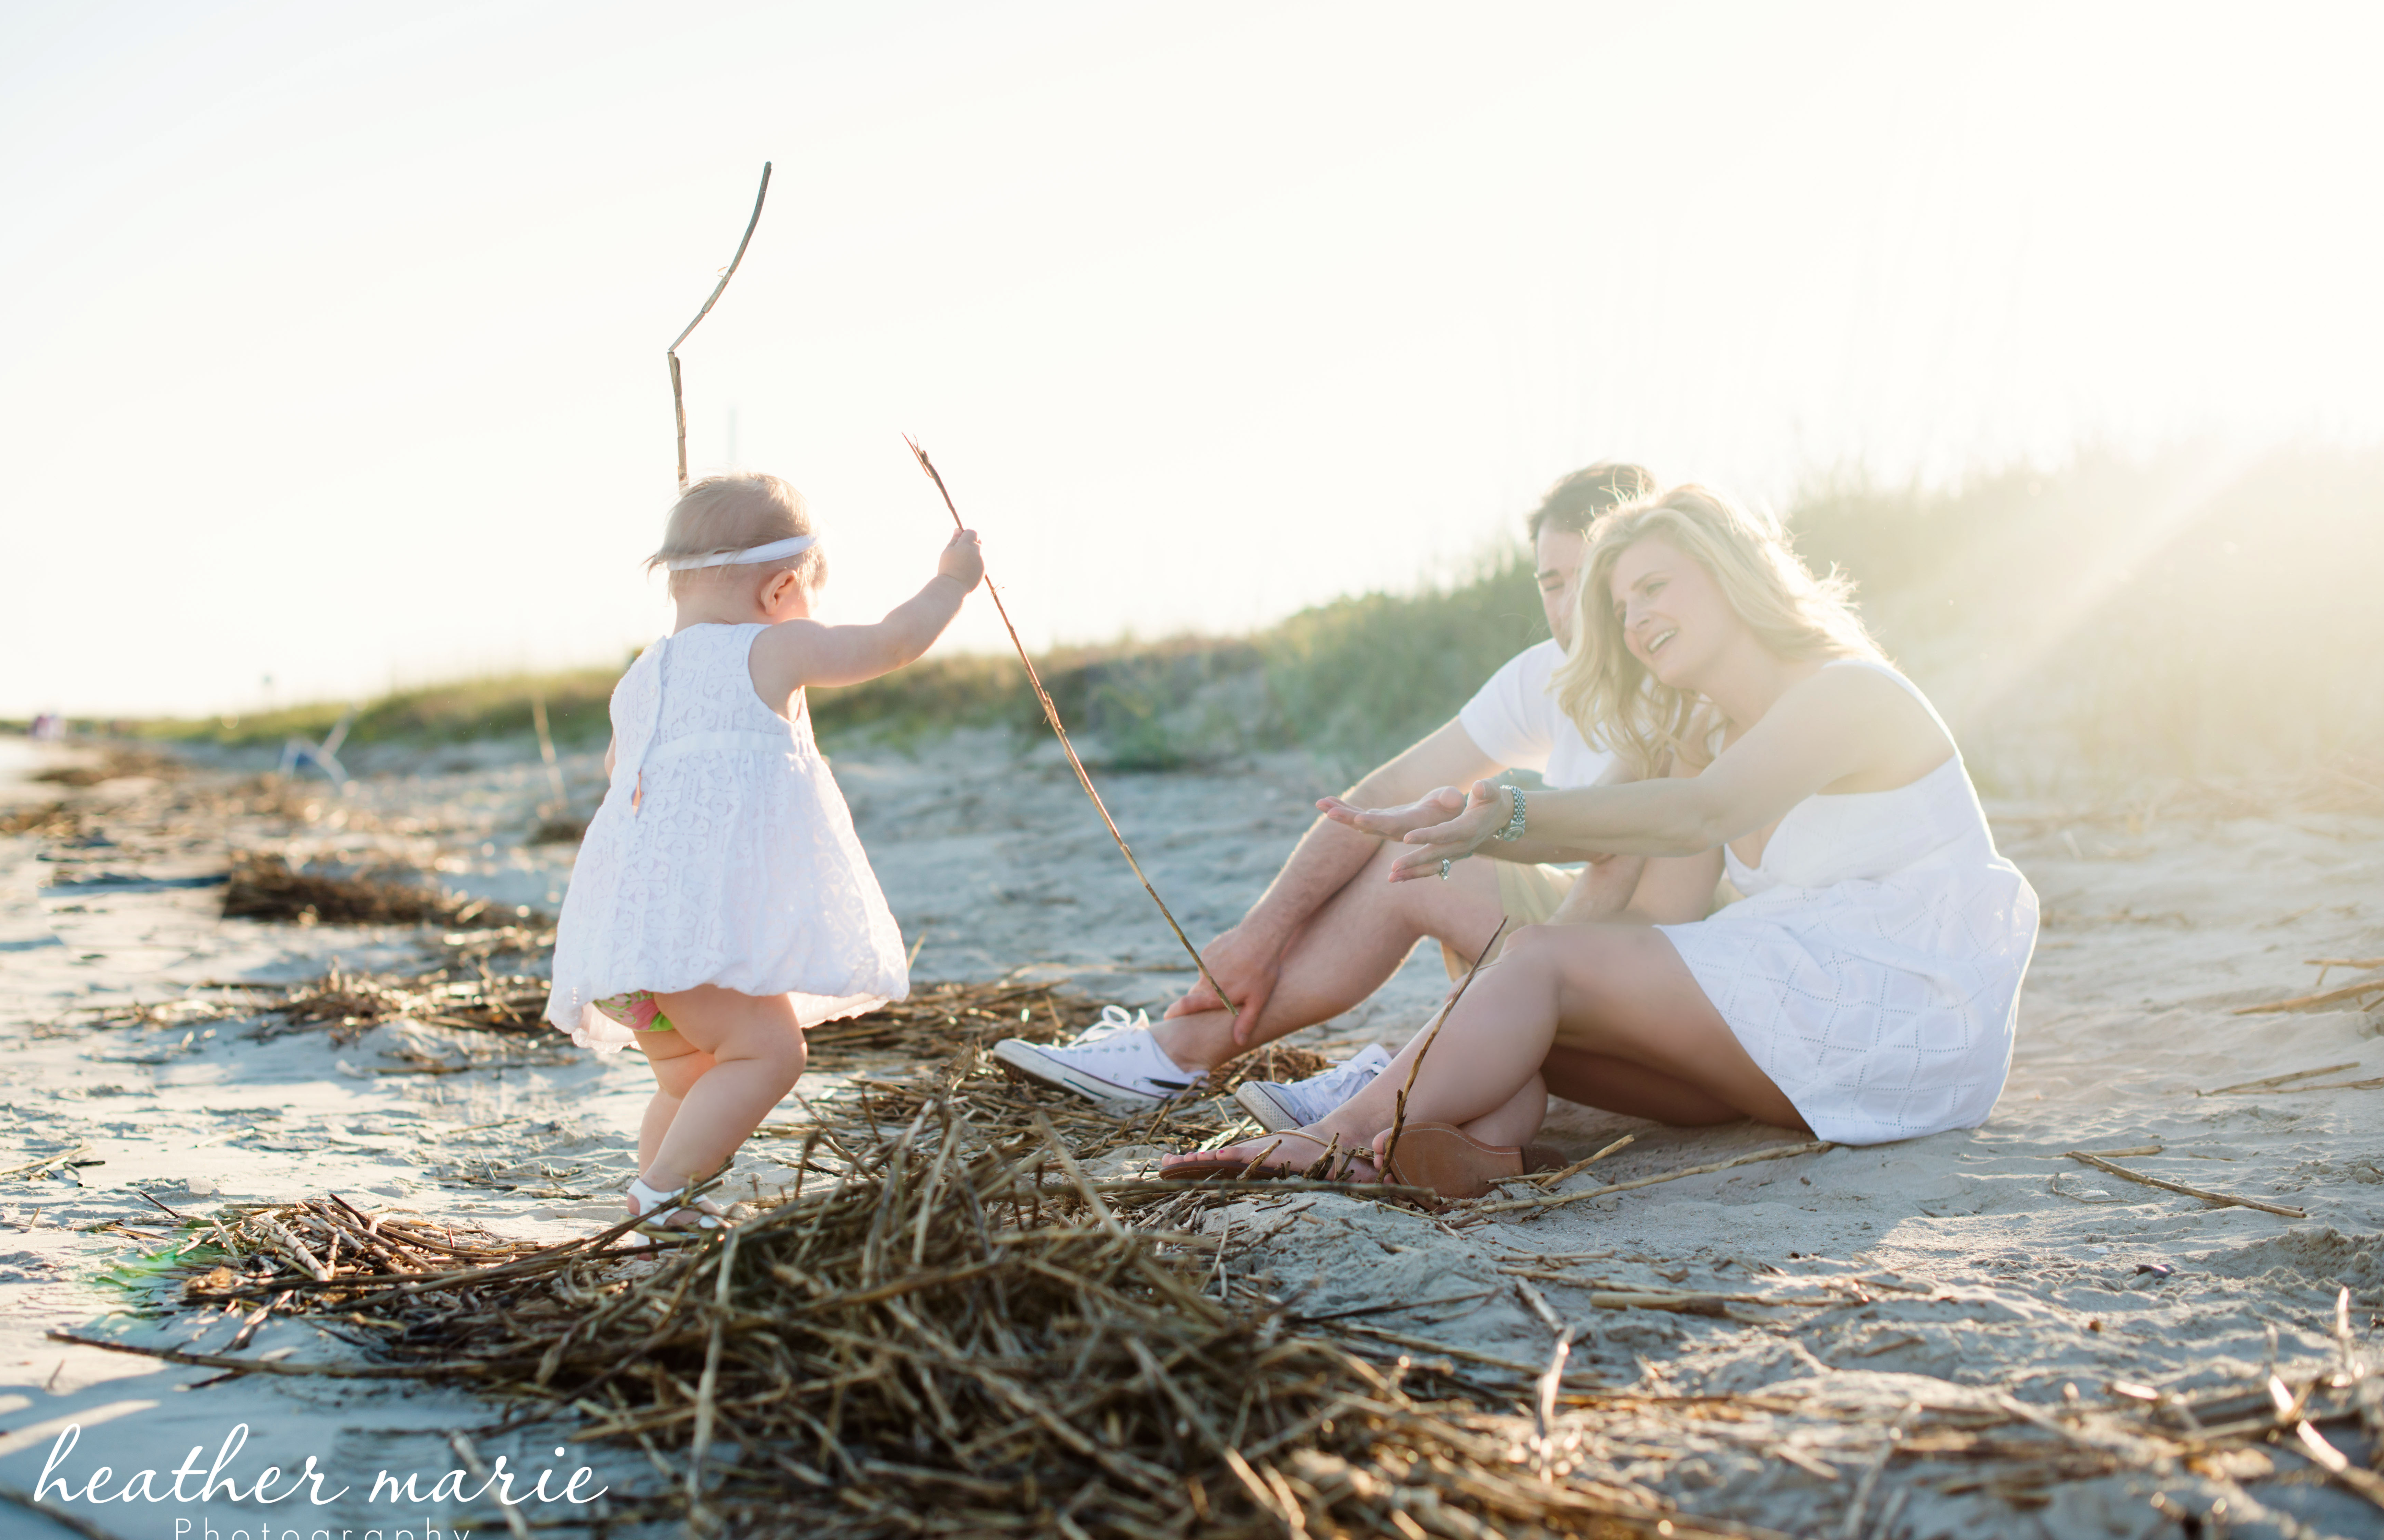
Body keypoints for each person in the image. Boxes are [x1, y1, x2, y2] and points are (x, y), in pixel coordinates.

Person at [1155, 483, 2039, 1196]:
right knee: (1531, 995)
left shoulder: (1849, 692)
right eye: (1618, 607)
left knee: (1536, 964)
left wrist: (1504, 823)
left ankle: (1338, 1135)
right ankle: (1478, 1148)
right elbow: (1652, 912)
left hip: (1905, 1015)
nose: (1633, 618)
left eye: (1653, 587)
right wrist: (1496, 900)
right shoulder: (1702, 732)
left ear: (1730, 572)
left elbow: (1699, 813)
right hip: (1799, 1045)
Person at [994, 462, 1658, 1120]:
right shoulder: (1548, 673)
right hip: (1587, 934)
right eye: (1551, 583)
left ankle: (1376, 1072)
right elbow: (1384, 793)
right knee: (1410, 849)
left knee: (1435, 855)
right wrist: (1259, 936)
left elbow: (1624, 871)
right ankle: (1179, 1052)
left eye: (1587, 578)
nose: (1567, 607)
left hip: (1657, 975)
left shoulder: (1673, 677)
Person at [544, 473, 986, 1236]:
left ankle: (658, 1205)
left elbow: (620, 771)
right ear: (781, 589)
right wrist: (951, 584)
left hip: (620, 942)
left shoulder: (641, 677)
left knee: (691, 1079)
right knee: (771, 1054)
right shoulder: (772, 647)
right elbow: (890, 643)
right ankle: (663, 1191)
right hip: (689, 941)